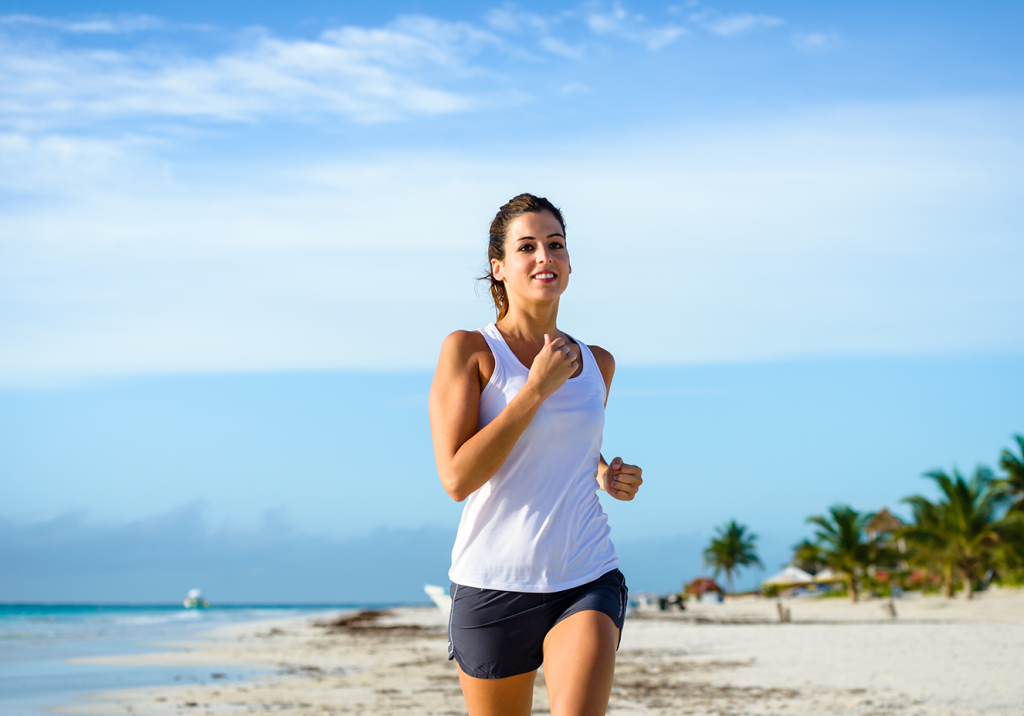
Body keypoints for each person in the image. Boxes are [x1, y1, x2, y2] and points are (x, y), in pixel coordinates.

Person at [428, 193, 644, 716]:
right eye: (527, 247)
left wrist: (604, 474)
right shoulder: (469, 351)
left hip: (585, 574)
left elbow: (565, 449)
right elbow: (457, 478)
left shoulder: (598, 363)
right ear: (498, 269)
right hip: (492, 583)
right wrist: (534, 389)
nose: (544, 256)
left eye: (556, 245)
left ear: (569, 264)